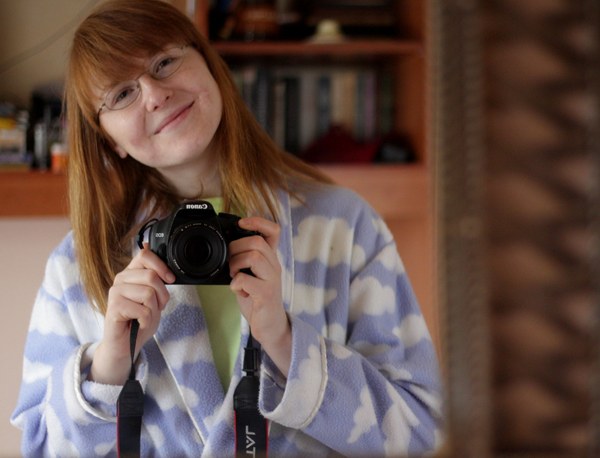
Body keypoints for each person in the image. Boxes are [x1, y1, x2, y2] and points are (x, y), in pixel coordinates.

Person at [11, 0, 442, 456]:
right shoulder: (77, 268)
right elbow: (39, 449)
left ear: (208, 63)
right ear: (108, 139)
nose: (154, 95)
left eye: (164, 62)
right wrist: (107, 367)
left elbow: (421, 434)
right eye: (121, 94)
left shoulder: (344, 228)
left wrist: (284, 341)